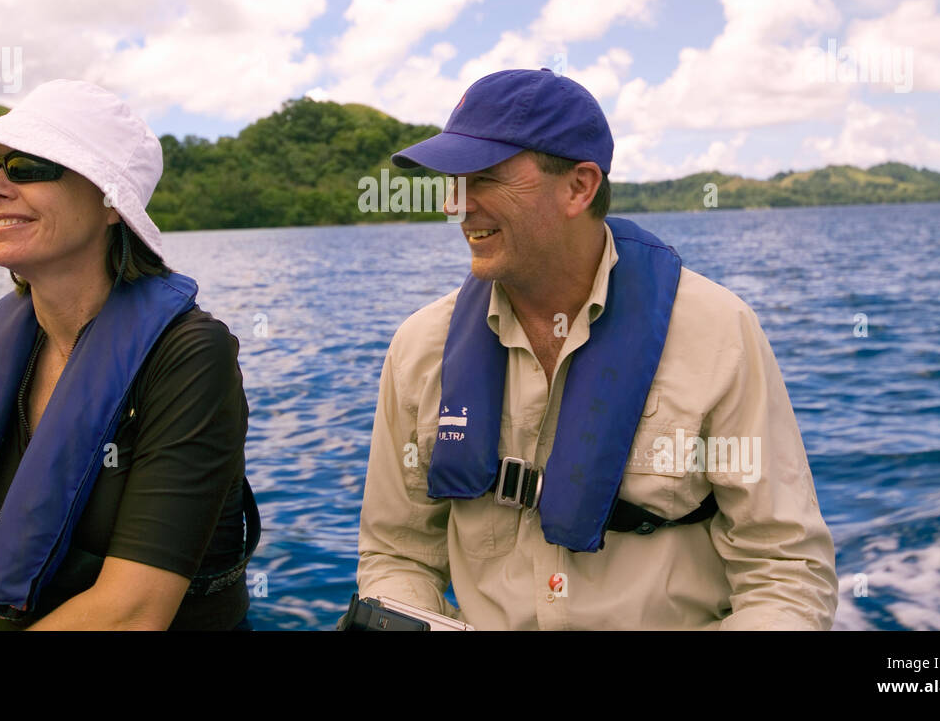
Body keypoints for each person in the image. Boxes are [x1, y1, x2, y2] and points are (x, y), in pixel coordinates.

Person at [356, 68, 837, 630]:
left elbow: (784, 570)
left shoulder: (719, 333)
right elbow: (399, 553)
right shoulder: (419, 348)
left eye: (483, 177)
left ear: (579, 187)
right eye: (451, 181)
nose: (454, 205)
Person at [0, 79, 255, 631]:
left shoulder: (190, 358)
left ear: (111, 204)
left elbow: (132, 613)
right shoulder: (9, 349)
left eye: (26, 167)